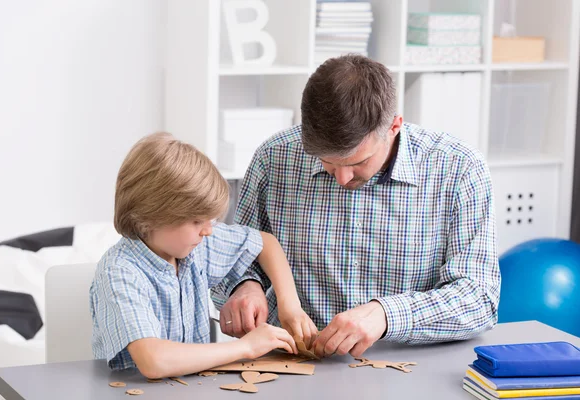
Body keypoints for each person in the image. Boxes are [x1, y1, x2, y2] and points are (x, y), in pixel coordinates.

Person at [212, 54, 501, 358]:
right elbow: (231, 260)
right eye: (326, 162)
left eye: (358, 162)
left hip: (404, 365)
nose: (341, 177)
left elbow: (478, 300)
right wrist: (243, 287)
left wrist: (386, 315)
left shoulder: (459, 168)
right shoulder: (274, 158)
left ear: (394, 127)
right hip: (290, 365)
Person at [90, 132, 317, 378]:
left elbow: (266, 243)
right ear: (151, 217)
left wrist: (290, 306)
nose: (208, 230)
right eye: (197, 220)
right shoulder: (120, 271)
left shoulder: (196, 246)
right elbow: (153, 360)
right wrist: (247, 347)